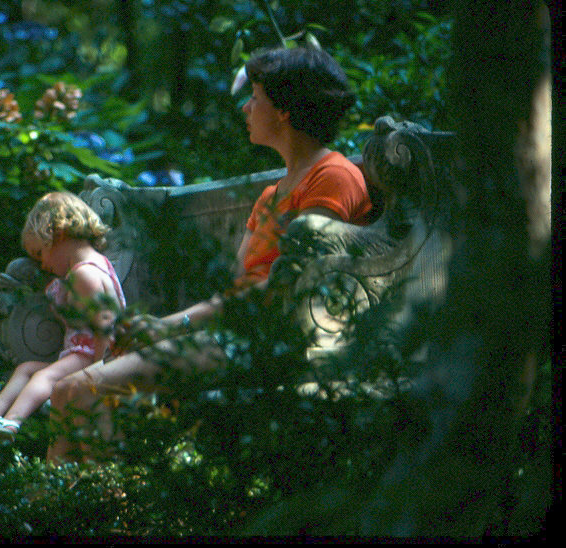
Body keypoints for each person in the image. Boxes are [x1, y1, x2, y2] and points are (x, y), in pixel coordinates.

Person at [46, 46, 372, 463]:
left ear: (285, 110)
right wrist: (161, 328)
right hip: (241, 335)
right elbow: (235, 291)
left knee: (80, 389)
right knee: (67, 391)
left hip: (284, 340)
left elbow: (288, 285)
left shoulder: (334, 177)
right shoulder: (272, 195)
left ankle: (99, 501)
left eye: (255, 96)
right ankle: (74, 501)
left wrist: (170, 326)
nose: (246, 107)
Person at [0, 191, 126, 443]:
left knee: (43, 376)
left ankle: (11, 422)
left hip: (93, 356)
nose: (42, 264)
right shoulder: (86, 269)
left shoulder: (85, 274)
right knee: (27, 368)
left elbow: (106, 326)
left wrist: (98, 372)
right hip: (81, 355)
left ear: (58, 235)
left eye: (40, 254)